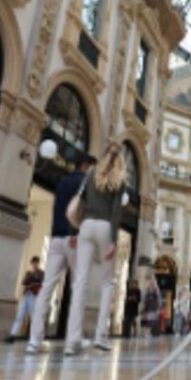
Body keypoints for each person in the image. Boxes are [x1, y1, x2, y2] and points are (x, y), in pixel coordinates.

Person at [26, 154, 94, 355]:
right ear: (85, 165)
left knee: (47, 288)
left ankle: (34, 341)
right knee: (79, 287)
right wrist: (75, 233)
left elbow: (59, 209)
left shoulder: (62, 181)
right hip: (74, 239)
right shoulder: (85, 182)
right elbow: (81, 211)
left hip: (56, 238)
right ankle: (73, 341)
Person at [65, 142, 126, 356]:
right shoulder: (119, 179)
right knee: (107, 282)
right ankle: (101, 336)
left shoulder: (91, 174)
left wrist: (74, 232)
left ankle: (72, 340)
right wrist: (113, 240)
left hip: (86, 226)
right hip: (105, 227)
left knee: (80, 281)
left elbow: (79, 201)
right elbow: (116, 212)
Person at [6, 256, 44, 343]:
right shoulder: (28, 273)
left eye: (36, 263)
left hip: (34, 295)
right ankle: (13, 335)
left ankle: (35, 335)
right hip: (26, 295)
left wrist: (33, 282)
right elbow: (24, 282)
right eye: (33, 263)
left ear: (38, 263)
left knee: (33, 316)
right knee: (19, 315)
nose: (35, 264)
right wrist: (31, 276)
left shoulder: (41, 273)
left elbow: (41, 283)